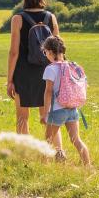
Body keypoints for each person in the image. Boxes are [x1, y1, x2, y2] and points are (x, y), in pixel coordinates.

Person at [7, 0, 59, 134]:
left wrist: (9, 80)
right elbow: (58, 50)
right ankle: (55, 150)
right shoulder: (51, 18)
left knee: (22, 117)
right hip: (47, 72)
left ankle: (25, 153)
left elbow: (14, 52)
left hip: (23, 72)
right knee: (48, 116)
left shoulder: (18, 19)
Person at [40, 36, 91, 166]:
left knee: (48, 141)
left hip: (57, 110)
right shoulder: (73, 66)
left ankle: (43, 167)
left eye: (45, 52)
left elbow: (48, 92)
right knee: (76, 140)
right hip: (73, 109)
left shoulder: (50, 69)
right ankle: (88, 165)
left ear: (50, 52)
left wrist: (45, 113)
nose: (45, 55)